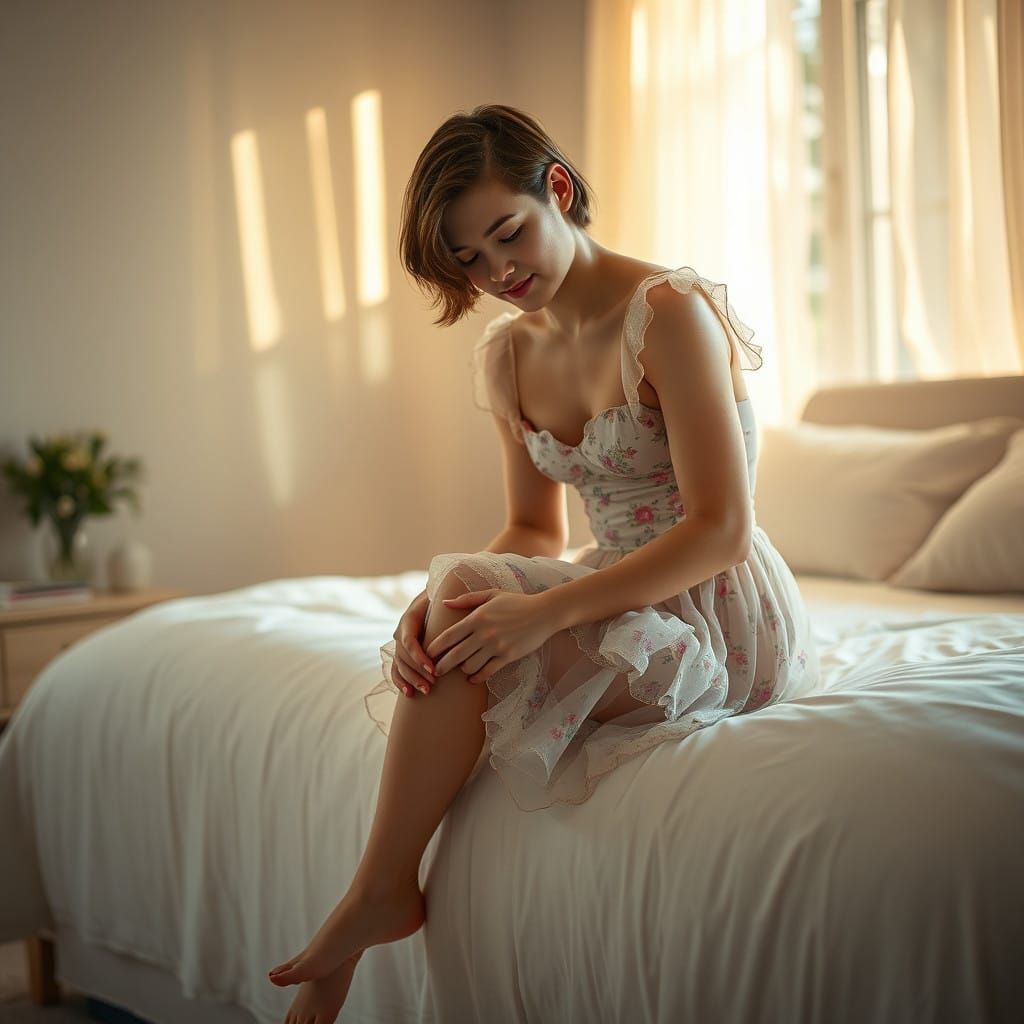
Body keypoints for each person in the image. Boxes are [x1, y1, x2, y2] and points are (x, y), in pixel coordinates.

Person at [267, 103, 820, 1023]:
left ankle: (377, 892)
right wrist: (429, 603)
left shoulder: (670, 314)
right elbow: (531, 529)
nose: (498, 272)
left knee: (474, 612)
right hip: (613, 579)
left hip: (715, 603)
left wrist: (547, 613)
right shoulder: (511, 353)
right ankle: (381, 891)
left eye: (507, 233)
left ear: (557, 188)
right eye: (469, 261)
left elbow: (722, 527)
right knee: (456, 599)